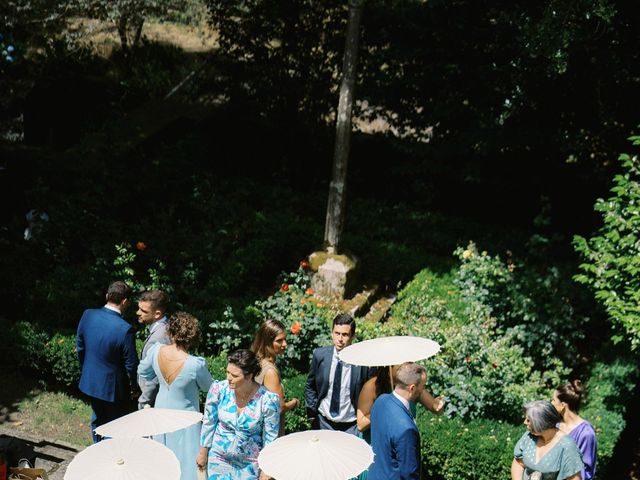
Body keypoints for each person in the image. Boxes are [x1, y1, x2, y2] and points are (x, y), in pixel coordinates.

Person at [138, 311, 213, 480]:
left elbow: (142, 370)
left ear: (170, 332)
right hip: (186, 420)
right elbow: (210, 388)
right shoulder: (195, 364)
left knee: (162, 461)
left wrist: (156, 376)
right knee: (185, 462)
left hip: (161, 413)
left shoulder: (156, 351)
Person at [198, 349, 280, 480]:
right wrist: (203, 451)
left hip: (249, 463)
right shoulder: (219, 389)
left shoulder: (267, 400)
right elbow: (209, 421)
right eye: (227, 372)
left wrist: (267, 468)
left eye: (235, 375)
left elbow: (270, 437)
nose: (229, 378)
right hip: (218, 458)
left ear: (249, 375)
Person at [76, 281, 139, 442]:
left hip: (90, 381)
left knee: (97, 419)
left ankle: (97, 452)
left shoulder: (88, 314)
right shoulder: (125, 329)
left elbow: (80, 347)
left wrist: (86, 371)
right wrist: (134, 387)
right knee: (115, 426)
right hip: (114, 389)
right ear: (125, 302)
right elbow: (131, 365)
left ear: (107, 296)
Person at [304, 313, 372, 434]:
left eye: (345, 335)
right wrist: (312, 414)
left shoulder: (363, 363)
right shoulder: (320, 356)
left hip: (351, 426)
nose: (340, 339)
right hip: (323, 422)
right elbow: (310, 385)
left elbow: (371, 392)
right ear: (332, 333)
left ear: (353, 336)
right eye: (337, 333)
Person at [368, 362, 426, 480]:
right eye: (423, 386)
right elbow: (409, 473)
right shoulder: (406, 429)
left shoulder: (380, 400)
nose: (423, 389)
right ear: (412, 388)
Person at [357, 364, 444, 438]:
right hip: (378, 445)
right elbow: (361, 425)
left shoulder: (411, 385)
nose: (405, 368)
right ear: (389, 368)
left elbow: (435, 408)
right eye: (401, 366)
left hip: (403, 441)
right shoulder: (372, 385)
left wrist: (437, 406)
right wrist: (384, 408)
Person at [511, 400, 583, 480]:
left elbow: (574, 478)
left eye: (528, 420)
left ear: (540, 423)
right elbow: (518, 463)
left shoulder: (567, 446)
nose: (524, 422)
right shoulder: (529, 436)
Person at [250, 319, 299, 436]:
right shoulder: (270, 371)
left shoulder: (257, 362)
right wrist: (294, 402)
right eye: (279, 341)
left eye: (285, 339)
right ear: (267, 342)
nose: (284, 344)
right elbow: (279, 407)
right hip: (270, 432)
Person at [552, 380, 597, 480]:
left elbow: (586, 471)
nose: (551, 403)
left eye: (553, 400)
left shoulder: (586, 433)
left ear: (563, 405)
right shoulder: (555, 424)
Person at [137, 289, 171, 409]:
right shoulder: (161, 329)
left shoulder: (160, 336)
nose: (138, 313)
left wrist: (144, 401)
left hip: (152, 401)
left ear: (157, 314)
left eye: (143, 311)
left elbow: (155, 375)